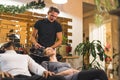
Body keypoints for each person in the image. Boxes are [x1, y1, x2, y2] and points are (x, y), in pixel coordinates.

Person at [0, 41, 66, 80]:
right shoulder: (1, 56)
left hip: (29, 78)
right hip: (11, 77)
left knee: (59, 78)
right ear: (3, 48)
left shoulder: (25, 56)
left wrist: (44, 71)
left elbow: (35, 67)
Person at [41, 47, 108, 80]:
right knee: (100, 72)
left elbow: (72, 70)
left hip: (76, 73)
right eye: (48, 49)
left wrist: (76, 71)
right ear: (46, 54)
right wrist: (65, 73)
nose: (51, 49)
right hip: (69, 77)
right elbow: (47, 76)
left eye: (52, 48)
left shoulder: (62, 62)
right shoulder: (46, 63)